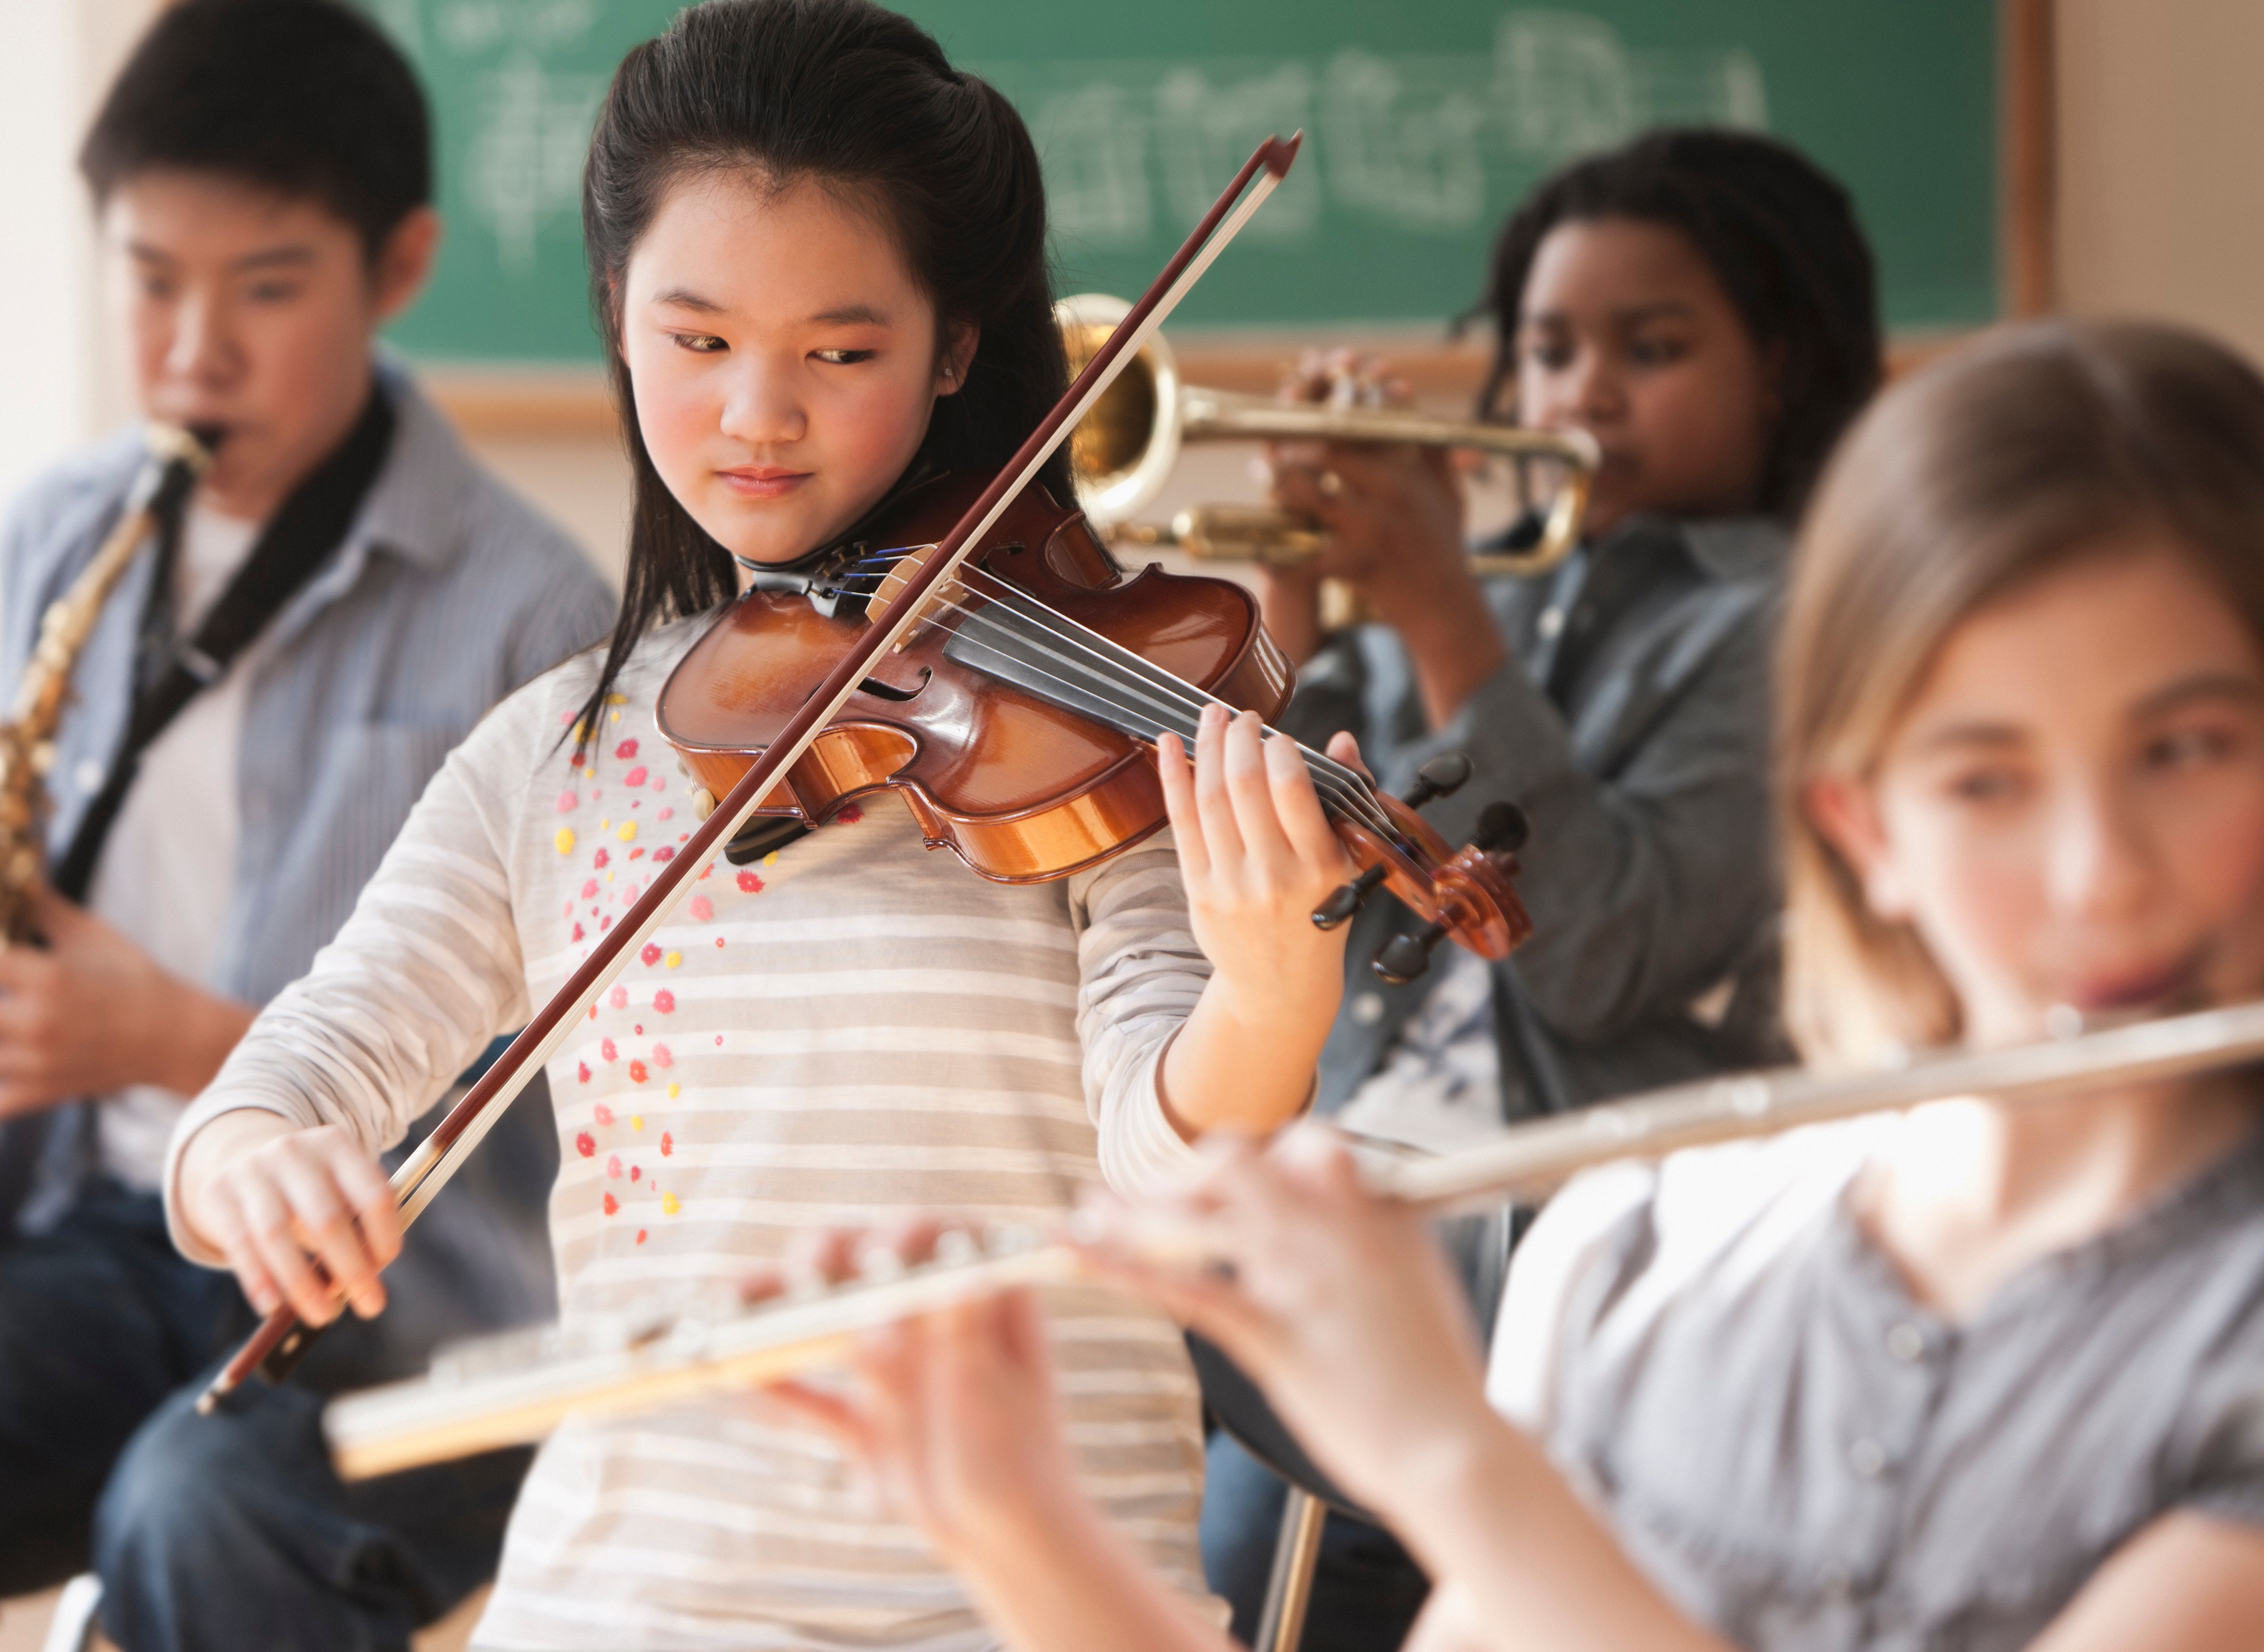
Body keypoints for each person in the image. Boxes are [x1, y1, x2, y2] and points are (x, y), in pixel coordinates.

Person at [783, 318, 2264, 1652]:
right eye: (1987, 780)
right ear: (1860, 826)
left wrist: (1443, 1452)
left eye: (2186, 750)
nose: (2099, 877)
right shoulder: (1639, 1251)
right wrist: (1022, 1535)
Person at [161, 1, 1359, 1647]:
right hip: (629, 1606)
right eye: (699, 340)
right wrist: (257, 1163)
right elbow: (298, 1069)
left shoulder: (1090, 739)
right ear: (619, 318)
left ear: (956, 352)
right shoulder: (557, 758)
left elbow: (1165, 1172)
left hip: (1035, 1613)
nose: (757, 416)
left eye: (842, 353)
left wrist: (1272, 994)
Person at [0, 4, 617, 1649]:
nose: (190, 354)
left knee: (193, 1509)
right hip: (91, 1240)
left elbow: (555, 1105)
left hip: (412, 1292)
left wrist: (169, 1040)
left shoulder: (538, 613)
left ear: (399, 266)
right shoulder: (62, 528)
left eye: (266, 289)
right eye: (152, 278)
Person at [1203, 128, 1886, 1646]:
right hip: (1357, 1222)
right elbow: (1305, 873)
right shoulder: (1497, 574)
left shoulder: (1796, 612)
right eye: (1549, 348)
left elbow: (1598, 952)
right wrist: (1302, 599)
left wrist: (1445, 612)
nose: (1583, 393)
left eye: (1653, 347)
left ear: (1778, 365)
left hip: (1594, 1270)